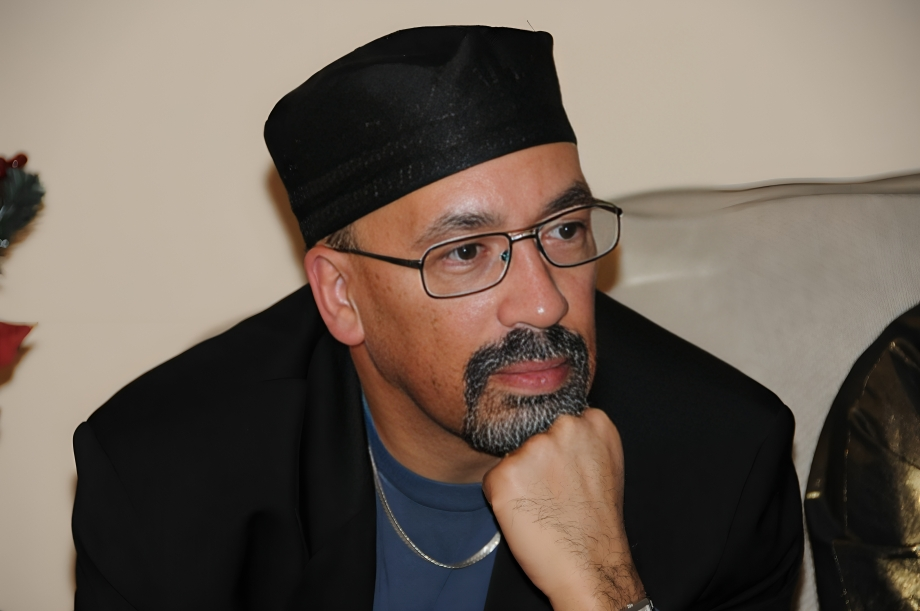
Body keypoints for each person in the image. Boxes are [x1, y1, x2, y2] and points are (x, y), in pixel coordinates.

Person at [71, 26, 803, 611]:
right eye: (465, 252)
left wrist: (602, 590)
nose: (544, 302)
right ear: (342, 295)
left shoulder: (725, 464)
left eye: (565, 230)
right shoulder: (165, 474)